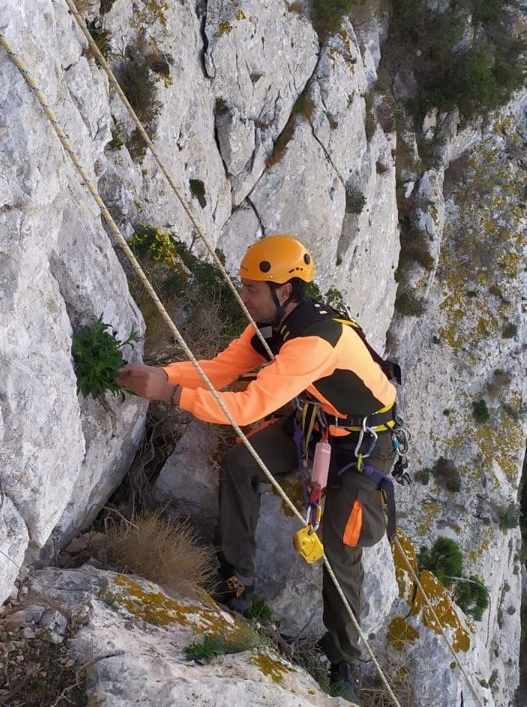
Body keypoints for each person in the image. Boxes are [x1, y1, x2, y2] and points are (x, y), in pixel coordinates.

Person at [117, 234, 398, 703]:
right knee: (240, 462)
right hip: (316, 423)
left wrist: (169, 395)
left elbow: (246, 406)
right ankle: (237, 581)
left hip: (364, 447)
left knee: (338, 543)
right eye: (244, 286)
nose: (243, 297)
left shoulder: (314, 340)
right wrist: (164, 374)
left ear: (284, 291)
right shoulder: (272, 327)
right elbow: (220, 369)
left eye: (251, 289)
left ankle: (342, 660)